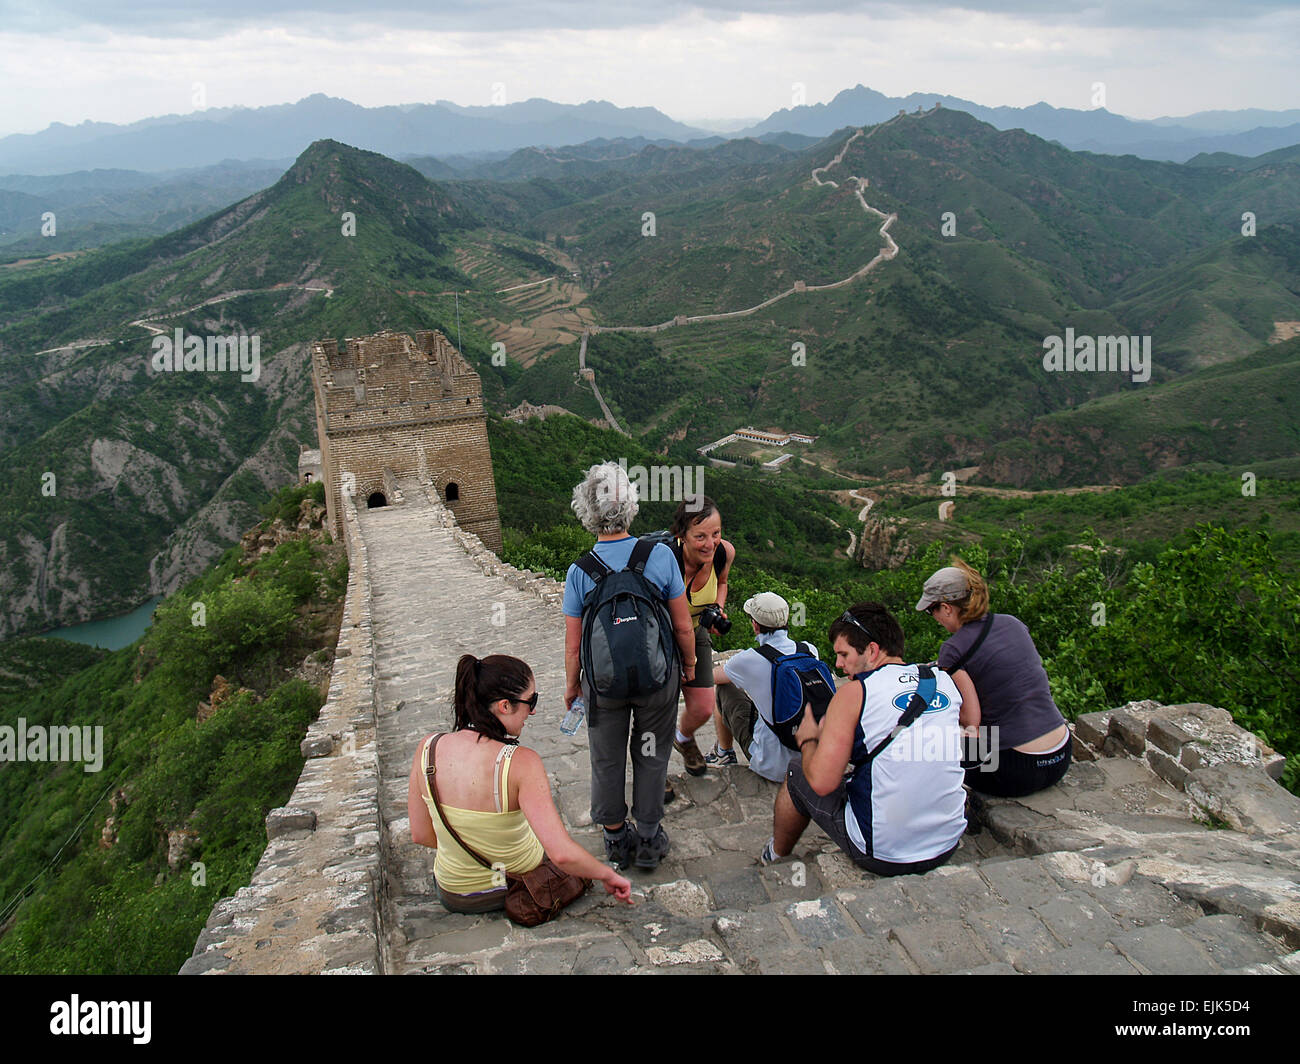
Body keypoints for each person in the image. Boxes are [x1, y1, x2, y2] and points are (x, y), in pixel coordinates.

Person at [408, 653, 633, 913]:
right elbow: (561, 854)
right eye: (531, 701)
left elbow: (421, 834)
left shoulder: (428, 747)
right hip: (515, 885)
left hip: (453, 892)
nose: (533, 710)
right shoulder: (521, 763)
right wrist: (607, 875)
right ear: (505, 706)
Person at [764, 602, 967, 876]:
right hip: (947, 842)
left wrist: (809, 740)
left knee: (798, 770)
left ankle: (776, 853)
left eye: (843, 654)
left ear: (871, 650)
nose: (837, 664)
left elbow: (822, 783)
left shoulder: (855, 693)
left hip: (883, 853)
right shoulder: (942, 680)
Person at [562, 462, 697, 871]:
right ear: (631, 505)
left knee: (606, 757)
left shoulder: (579, 572)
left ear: (587, 510)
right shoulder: (659, 555)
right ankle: (650, 836)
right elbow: (682, 625)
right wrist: (688, 666)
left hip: (604, 685)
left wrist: (574, 686)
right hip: (657, 679)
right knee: (651, 753)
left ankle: (617, 837)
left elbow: (573, 647)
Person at [917, 558, 1071, 798]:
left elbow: (971, 718)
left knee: (923, 745)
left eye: (931, 610)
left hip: (1017, 770)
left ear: (946, 608)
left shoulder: (953, 649)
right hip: (1061, 755)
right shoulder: (1013, 624)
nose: (934, 617)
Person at [664, 497, 736, 778]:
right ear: (682, 535)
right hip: (664, 638)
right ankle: (655, 776)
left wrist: (717, 609)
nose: (710, 543)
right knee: (659, 709)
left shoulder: (723, 553)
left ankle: (683, 738)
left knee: (704, 706)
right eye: (701, 536)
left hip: (696, 632)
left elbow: (723, 583)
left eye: (716, 534)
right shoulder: (667, 560)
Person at [706, 591, 809, 784]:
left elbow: (712, 677)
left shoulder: (751, 659)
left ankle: (724, 753)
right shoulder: (809, 649)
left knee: (723, 689)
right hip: (810, 758)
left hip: (772, 765)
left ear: (755, 624)